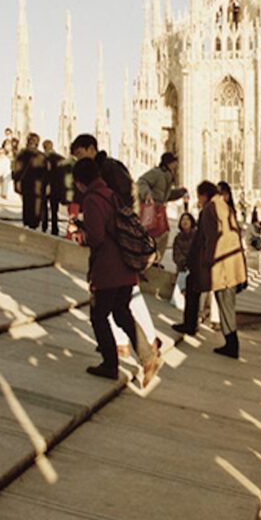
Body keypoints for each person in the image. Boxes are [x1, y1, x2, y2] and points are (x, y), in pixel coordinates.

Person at [74, 158, 161, 385]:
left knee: (98, 316)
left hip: (108, 269)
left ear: (80, 182)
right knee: (121, 313)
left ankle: (110, 364)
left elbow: (97, 237)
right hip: (125, 266)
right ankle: (148, 357)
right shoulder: (110, 194)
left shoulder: (92, 199)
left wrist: (81, 232)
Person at [172, 181, 248, 359]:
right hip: (228, 263)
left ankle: (231, 344)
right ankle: (193, 325)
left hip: (220, 265)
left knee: (224, 302)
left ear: (204, 195)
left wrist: (207, 261)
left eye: (198, 196)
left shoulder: (210, 209)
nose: (198, 200)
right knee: (205, 292)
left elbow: (212, 238)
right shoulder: (222, 206)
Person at [136, 152, 188, 261]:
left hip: (160, 209)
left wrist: (180, 192)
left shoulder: (167, 176)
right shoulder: (157, 173)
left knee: (163, 233)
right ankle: (150, 260)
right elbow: (142, 181)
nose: (176, 165)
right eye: (174, 162)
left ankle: (155, 260)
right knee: (154, 233)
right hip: (152, 208)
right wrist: (147, 194)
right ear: (170, 163)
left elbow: (166, 196)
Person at [12, 132, 46, 229]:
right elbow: (46, 172)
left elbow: (16, 169)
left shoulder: (21, 154)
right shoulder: (41, 156)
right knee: (37, 204)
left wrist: (16, 181)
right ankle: (34, 223)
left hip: (25, 183)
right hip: (38, 185)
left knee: (27, 202)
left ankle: (27, 221)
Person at [41, 140, 72, 236]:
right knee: (54, 209)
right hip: (56, 186)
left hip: (44, 185)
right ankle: (55, 228)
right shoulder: (60, 158)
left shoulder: (41, 158)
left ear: (44, 147)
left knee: (44, 207)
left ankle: (44, 226)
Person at [171, 212, 197, 310]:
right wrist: (183, 262)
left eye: (187, 219)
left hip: (194, 266)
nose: (185, 222)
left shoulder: (196, 236)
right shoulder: (178, 238)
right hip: (182, 267)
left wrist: (190, 263)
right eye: (183, 219)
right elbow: (176, 254)